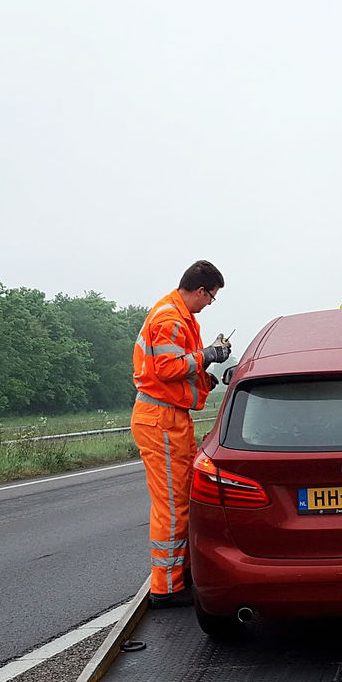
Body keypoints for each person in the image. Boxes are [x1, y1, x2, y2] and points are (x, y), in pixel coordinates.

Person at [132, 260, 229, 607]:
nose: (209, 304)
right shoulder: (170, 318)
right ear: (201, 290)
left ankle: (180, 575)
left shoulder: (181, 317)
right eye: (211, 298)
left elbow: (178, 369)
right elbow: (168, 368)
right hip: (160, 419)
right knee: (173, 506)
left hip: (170, 417)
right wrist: (208, 357)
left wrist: (205, 376)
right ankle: (167, 587)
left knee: (182, 499)